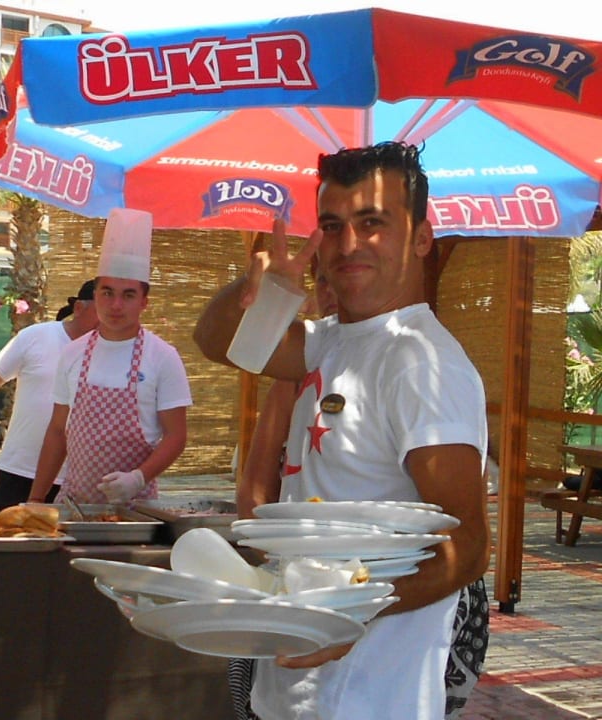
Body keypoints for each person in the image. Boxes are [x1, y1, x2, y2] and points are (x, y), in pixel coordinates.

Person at [194, 142, 490, 720]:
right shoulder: (329, 340)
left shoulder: (423, 363)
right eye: (333, 225)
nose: (349, 244)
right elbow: (214, 340)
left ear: (421, 238)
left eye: (372, 223)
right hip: (293, 684)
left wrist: (349, 613)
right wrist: (254, 291)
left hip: (371, 694)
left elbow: (469, 545)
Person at [29, 208, 192, 505]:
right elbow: (57, 432)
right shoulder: (72, 353)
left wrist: (138, 478)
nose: (116, 305)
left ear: (144, 301)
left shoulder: (163, 357)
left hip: (136, 511)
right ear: (96, 295)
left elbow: (176, 436)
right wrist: (36, 500)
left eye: (128, 295)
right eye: (107, 293)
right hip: (73, 507)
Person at [0, 279, 99, 512]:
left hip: (83, 481)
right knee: (5, 542)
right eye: (103, 307)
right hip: (20, 471)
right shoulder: (36, 336)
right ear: (79, 308)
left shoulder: (117, 352)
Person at [237, 267, 337, 519]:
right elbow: (254, 492)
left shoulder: (402, 365)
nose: (332, 291)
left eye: (344, 276)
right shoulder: (296, 374)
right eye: (324, 279)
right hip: (295, 545)